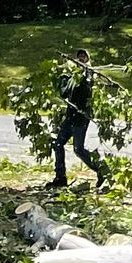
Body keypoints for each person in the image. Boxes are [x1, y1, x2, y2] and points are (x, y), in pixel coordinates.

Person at [53, 49, 104, 188]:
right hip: (70, 117)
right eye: (79, 56)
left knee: (78, 149)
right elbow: (64, 93)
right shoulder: (71, 77)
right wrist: (62, 79)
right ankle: (60, 177)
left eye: (84, 56)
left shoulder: (89, 75)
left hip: (81, 118)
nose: (81, 58)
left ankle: (100, 171)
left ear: (88, 59)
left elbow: (86, 90)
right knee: (58, 144)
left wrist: (83, 74)